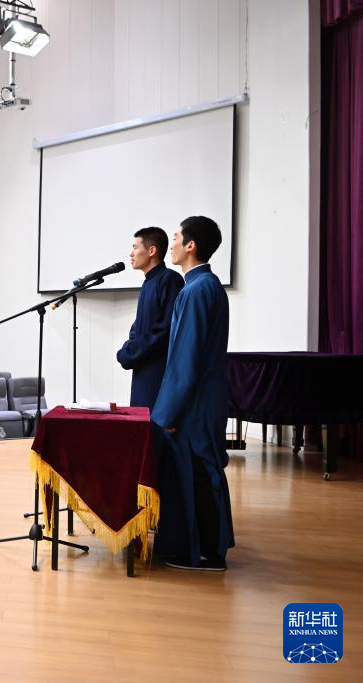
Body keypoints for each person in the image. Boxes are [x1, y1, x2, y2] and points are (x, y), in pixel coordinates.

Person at [151, 216, 233, 572]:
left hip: (195, 404)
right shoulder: (207, 286)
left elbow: (184, 361)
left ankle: (206, 553)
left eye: (175, 238)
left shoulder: (196, 291)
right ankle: (206, 548)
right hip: (204, 398)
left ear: (191, 245)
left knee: (199, 474)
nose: (171, 245)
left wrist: (165, 415)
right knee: (204, 472)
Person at [117, 227, 185, 409]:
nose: (131, 253)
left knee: (153, 419)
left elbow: (165, 329)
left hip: (158, 370)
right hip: (142, 366)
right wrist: (128, 349)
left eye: (135, 247)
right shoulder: (148, 282)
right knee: (141, 418)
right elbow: (139, 326)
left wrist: (131, 352)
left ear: (152, 250)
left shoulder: (170, 279)